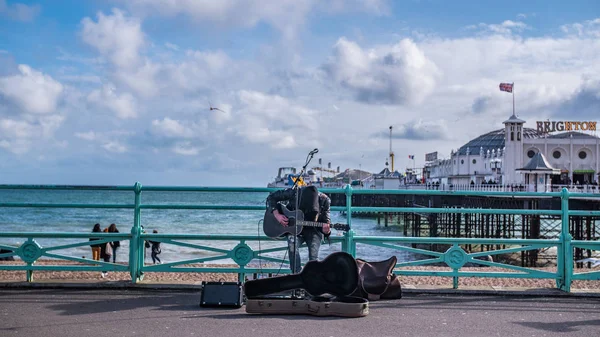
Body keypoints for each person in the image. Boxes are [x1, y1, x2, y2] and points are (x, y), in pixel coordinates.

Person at [266, 185, 331, 275]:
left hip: (313, 230)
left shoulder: (324, 200)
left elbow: (326, 222)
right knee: (292, 244)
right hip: (294, 229)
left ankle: (312, 279)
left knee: (313, 255)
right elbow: (271, 197)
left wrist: (327, 231)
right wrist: (277, 214)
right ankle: (296, 276)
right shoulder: (294, 193)